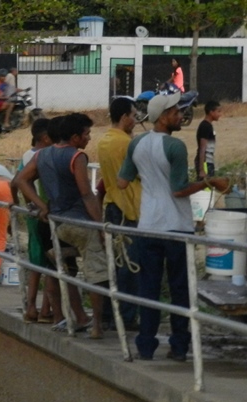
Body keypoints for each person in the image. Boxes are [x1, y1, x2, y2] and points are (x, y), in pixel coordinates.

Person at [118, 93, 229, 361]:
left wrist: (150, 182)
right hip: (177, 227)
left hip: (148, 226)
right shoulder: (175, 146)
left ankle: (146, 346)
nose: (181, 116)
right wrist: (209, 183)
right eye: (176, 112)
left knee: (149, 288)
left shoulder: (137, 144)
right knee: (180, 289)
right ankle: (179, 347)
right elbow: (179, 190)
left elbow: (123, 182)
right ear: (163, 116)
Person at [14, 112, 106, 339]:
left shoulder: (42, 155)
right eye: (86, 134)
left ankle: (62, 255)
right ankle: (97, 327)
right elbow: (86, 194)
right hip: (79, 222)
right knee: (97, 273)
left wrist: (41, 206)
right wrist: (100, 226)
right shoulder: (77, 157)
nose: (89, 138)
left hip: (57, 223)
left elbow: (21, 180)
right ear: (75, 137)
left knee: (65, 271)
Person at [98, 96, 142, 331]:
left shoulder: (104, 141)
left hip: (112, 206)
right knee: (130, 265)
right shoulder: (127, 144)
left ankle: (107, 312)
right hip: (130, 209)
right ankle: (126, 317)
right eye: (134, 116)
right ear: (124, 117)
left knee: (113, 264)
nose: (135, 121)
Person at [14, 118, 56, 323]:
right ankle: (46, 310)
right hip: (45, 215)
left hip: (32, 214)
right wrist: (41, 205)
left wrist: (16, 203)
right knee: (51, 263)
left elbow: (15, 182)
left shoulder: (27, 155)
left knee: (36, 263)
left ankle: (31, 306)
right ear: (46, 137)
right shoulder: (42, 156)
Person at [195, 100, 221, 180]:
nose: (220, 114)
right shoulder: (205, 126)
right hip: (205, 163)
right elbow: (203, 149)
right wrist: (202, 169)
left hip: (209, 162)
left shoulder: (208, 126)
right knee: (205, 190)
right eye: (218, 111)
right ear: (211, 112)